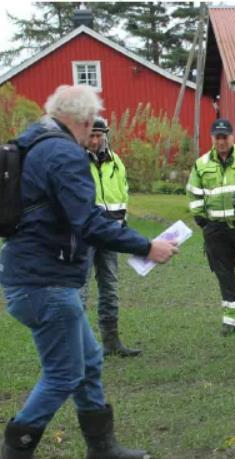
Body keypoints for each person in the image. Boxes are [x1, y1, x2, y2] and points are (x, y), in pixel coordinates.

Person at [0, 84, 177, 459]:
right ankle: (16, 449)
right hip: (45, 283)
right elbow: (89, 223)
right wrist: (147, 247)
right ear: (81, 120)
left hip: (32, 277)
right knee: (63, 374)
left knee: (90, 361)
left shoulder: (31, 143)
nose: (90, 135)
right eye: (90, 126)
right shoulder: (63, 153)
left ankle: (102, 447)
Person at [187, 118, 235, 335]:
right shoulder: (201, 163)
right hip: (216, 230)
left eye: (225, 136)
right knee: (224, 274)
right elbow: (193, 193)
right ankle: (231, 319)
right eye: (217, 137)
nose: (221, 141)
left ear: (232, 136)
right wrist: (202, 219)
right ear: (212, 138)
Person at [79, 116, 141, 357]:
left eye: (99, 135)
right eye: (91, 136)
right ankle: (81, 345)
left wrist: (121, 226)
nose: (95, 140)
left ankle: (111, 340)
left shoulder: (116, 162)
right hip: (84, 235)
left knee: (110, 287)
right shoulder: (74, 161)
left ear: (105, 135)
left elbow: (122, 195)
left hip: (111, 234)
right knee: (80, 290)